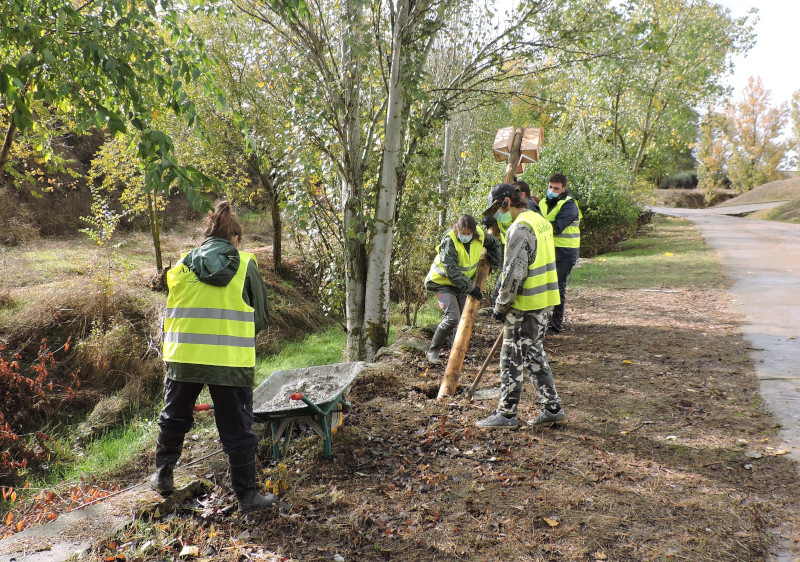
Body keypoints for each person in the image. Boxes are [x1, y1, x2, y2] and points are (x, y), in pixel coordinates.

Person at [150, 201, 276, 513]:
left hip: (184, 357)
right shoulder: (245, 264)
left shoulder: (179, 267)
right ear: (235, 238)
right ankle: (247, 497)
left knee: (175, 416)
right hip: (229, 360)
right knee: (236, 427)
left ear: (206, 236)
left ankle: (163, 477)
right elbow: (260, 317)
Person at [476, 183, 565, 429]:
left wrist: (500, 306)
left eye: (497, 208)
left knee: (511, 358)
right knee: (534, 354)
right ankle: (552, 408)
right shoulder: (540, 222)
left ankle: (506, 413)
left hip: (524, 305)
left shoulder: (520, 228)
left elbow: (514, 274)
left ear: (506, 202)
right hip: (545, 302)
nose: (497, 215)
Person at [424, 214, 502, 365]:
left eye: (468, 234)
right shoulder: (449, 241)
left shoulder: (480, 235)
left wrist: (493, 264)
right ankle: (433, 350)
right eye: (463, 233)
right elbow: (451, 271)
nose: (465, 236)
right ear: (457, 229)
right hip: (443, 283)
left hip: (462, 284)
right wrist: (471, 287)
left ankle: (455, 351)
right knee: (452, 317)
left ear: (473, 232)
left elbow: (495, 245)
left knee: (461, 320)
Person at [538, 173, 581, 335]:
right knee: (546, 286)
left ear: (563, 189)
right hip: (548, 250)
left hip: (565, 251)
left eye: (556, 188)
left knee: (558, 287)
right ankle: (544, 321)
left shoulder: (570, 205)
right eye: (550, 187)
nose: (552, 190)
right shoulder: (542, 202)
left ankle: (555, 325)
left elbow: (557, 226)